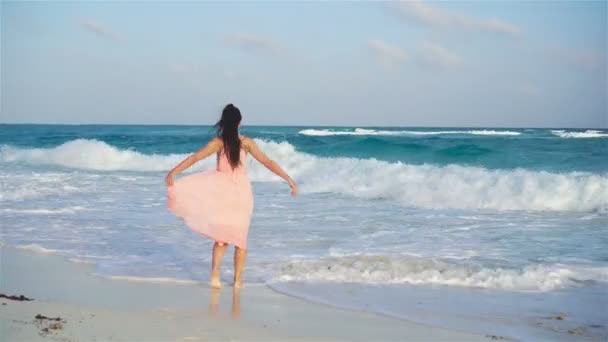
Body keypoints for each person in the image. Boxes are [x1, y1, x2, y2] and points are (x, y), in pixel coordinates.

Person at [165, 103, 297, 288]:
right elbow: (268, 162)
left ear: (223, 122)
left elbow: (195, 158)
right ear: (239, 122)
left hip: (223, 193)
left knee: (222, 238)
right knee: (240, 238)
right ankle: (237, 281)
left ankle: (215, 277)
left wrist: (173, 172)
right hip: (241, 193)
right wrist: (289, 179)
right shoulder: (247, 143)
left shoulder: (218, 143)